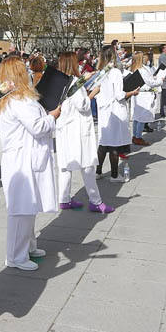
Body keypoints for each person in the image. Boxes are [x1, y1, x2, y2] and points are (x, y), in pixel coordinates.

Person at [0, 56, 60, 271]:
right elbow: (38, 127)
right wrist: (53, 116)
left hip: (26, 158)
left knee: (28, 207)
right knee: (21, 210)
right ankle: (15, 256)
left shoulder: (16, 98)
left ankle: (28, 246)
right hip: (21, 160)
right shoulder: (18, 100)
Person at [55, 52, 108, 213]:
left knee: (65, 166)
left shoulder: (59, 81)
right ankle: (96, 201)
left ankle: (63, 199)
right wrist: (93, 92)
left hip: (64, 128)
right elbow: (83, 105)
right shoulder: (74, 83)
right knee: (88, 164)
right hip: (77, 130)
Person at [96, 45, 137, 180]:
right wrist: (132, 92)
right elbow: (119, 95)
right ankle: (114, 175)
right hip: (115, 111)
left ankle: (98, 172)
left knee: (103, 143)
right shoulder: (115, 72)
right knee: (114, 144)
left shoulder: (100, 72)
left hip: (104, 111)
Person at [130, 51, 159, 145]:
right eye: (143, 57)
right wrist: (160, 81)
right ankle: (138, 137)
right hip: (143, 95)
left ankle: (135, 136)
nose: (145, 58)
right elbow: (150, 83)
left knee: (137, 117)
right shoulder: (141, 70)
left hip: (138, 95)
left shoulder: (134, 68)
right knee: (142, 117)